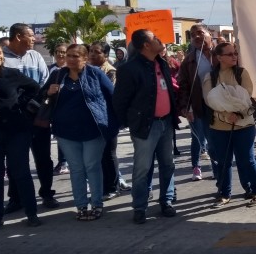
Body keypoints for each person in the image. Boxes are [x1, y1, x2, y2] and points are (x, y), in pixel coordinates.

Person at [44, 45, 118, 221]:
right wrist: (49, 91)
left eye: (75, 56)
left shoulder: (95, 73)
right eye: (68, 55)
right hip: (66, 132)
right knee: (76, 169)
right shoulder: (58, 74)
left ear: (85, 58)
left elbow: (113, 96)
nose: (70, 59)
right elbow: (43, 95)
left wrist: (114, 123)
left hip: (93, 130)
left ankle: (97, 204)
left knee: (92, 166)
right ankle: (81, 206)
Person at [113, 29, 178, 225]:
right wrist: (130, 122)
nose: (160, 40)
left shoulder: (161, 63)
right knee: (142, 168)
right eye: (155, 38)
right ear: (146, 46)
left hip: (166, 123)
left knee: (168, 164)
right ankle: (140, 207)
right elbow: (119, 101)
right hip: (145, 127)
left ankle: (166, 201)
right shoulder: (129, 68)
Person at [0, 40, 42, 230]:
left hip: (17, 132)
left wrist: (24, 106)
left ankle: (31, 213)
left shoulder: (12, 74)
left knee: (21, 173)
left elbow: (35, 88)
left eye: (0, 52)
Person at [1, 23, 59, 210]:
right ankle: (16, 198)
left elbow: (43, 83)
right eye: (31, 35)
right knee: (15, 160)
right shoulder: (2, 57)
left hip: (37, 116)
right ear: (18, 37)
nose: (35, 39)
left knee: (43, 158)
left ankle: (47, 194)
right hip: (13, 119)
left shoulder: (35, 56)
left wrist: (36, 104)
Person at [202, 42, 256, 208]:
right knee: (223, 162)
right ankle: (224, 194)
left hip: (244, 125)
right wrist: (226, 113)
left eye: (235, 53)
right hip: (219, 127)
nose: (234, 57)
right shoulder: (210, 77)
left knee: (247, 159)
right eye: (229, 54)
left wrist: (235, 112)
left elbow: (245, 98)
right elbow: (210, 100)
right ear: (219, 57)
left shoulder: (241, 73)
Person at [177, 24, 216, 182]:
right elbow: (183, 85)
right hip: (198, 105)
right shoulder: (189, 60)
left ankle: (216, 166)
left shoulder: (220, 54)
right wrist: (187, 107)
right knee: (197, 138)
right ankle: (196, 167)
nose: (196, 37)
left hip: (219, 105)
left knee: (215, 138)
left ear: (209, 34)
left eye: (200, 33)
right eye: (193, 35)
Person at [89, 41, 121, 199]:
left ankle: (113, 186)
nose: (93, 54)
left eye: (97, 52)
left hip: (108, 118)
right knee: (99, 155)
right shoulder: (89, 70)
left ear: (106, 55)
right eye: (91, 51)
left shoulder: (110, 71)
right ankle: (103, 185)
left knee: (109, 154)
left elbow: (110, 95)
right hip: (93, 121)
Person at [49, 43, 70, 175]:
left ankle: (65, 162)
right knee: (59, 136)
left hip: (68, 107)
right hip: (55, 107)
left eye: (63, 51)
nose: (60, 54)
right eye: (57, 51)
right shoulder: (51, 69)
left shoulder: (70, 69)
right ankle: (62, 161)